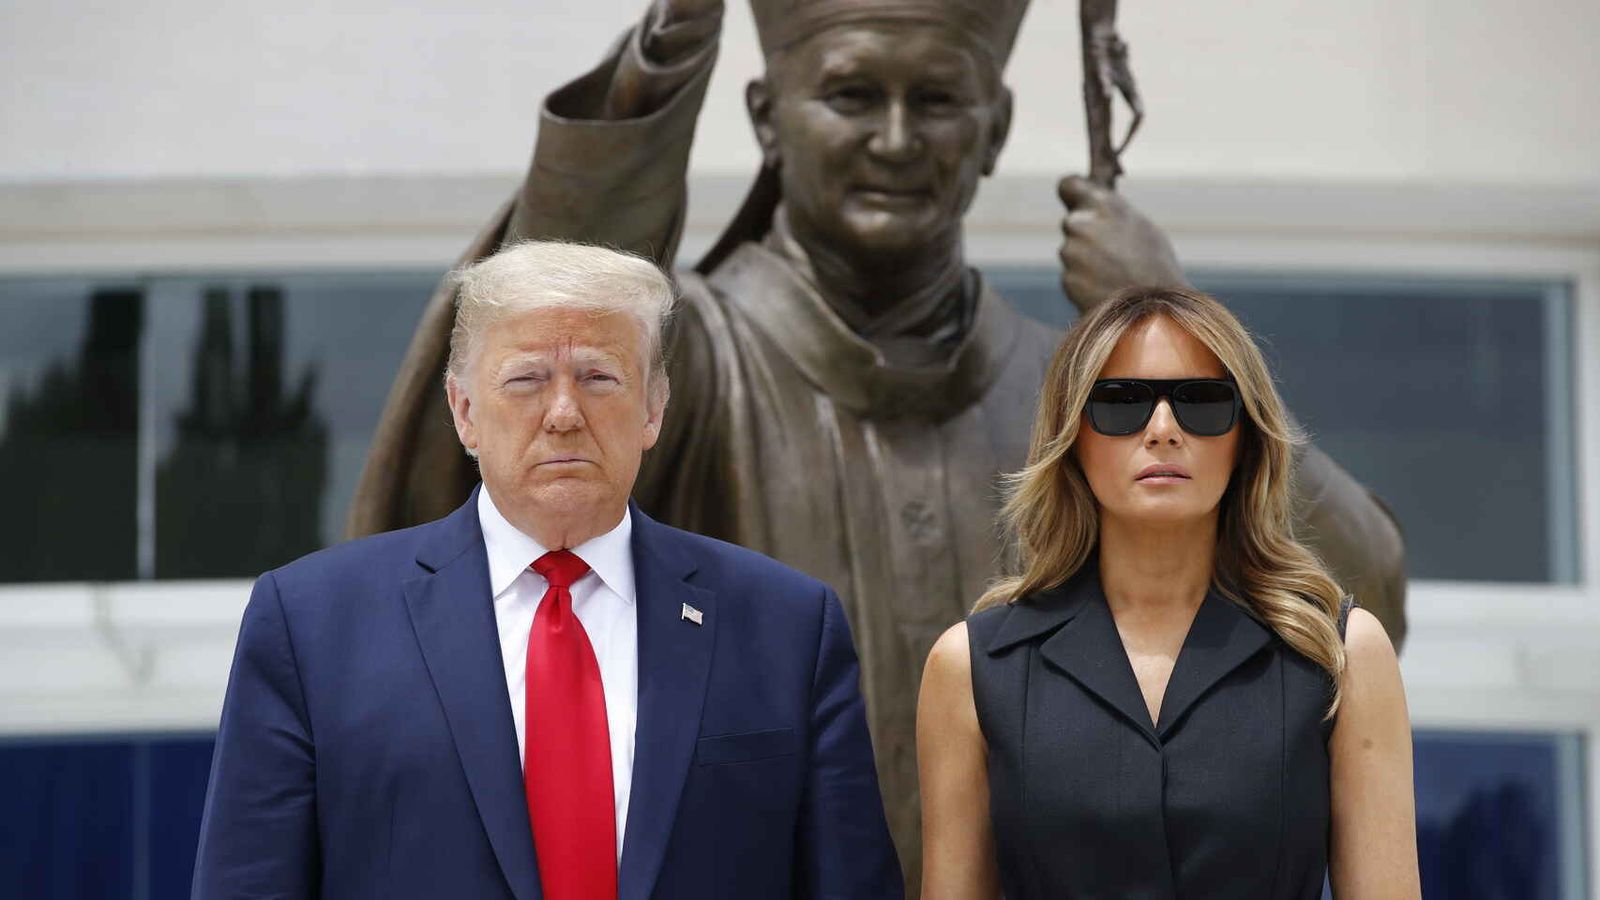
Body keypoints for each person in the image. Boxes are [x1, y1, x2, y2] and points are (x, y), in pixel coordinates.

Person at [346, 0, 1408, 884]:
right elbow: (544, 337)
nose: (896, 141)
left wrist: (1166, 324)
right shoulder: (690, 365)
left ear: (994, 127)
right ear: (767, 117)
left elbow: (1350, 608)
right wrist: (662, 64)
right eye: (853, 95)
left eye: (937, 100)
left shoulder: (1088, 404)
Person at [192, 241, 903, 899]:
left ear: (654, 408)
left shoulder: (785, 626)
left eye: (598, 377)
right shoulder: (313, 625)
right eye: (527, 379)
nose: (564, 413)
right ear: (464, 411)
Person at [918, 286, 1420, 898]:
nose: (1162, 430)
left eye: (1202, 402)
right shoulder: (974, 666)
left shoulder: (1339, 655)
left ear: (1245, 439)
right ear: (1072, 437)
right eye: (1121, 402)